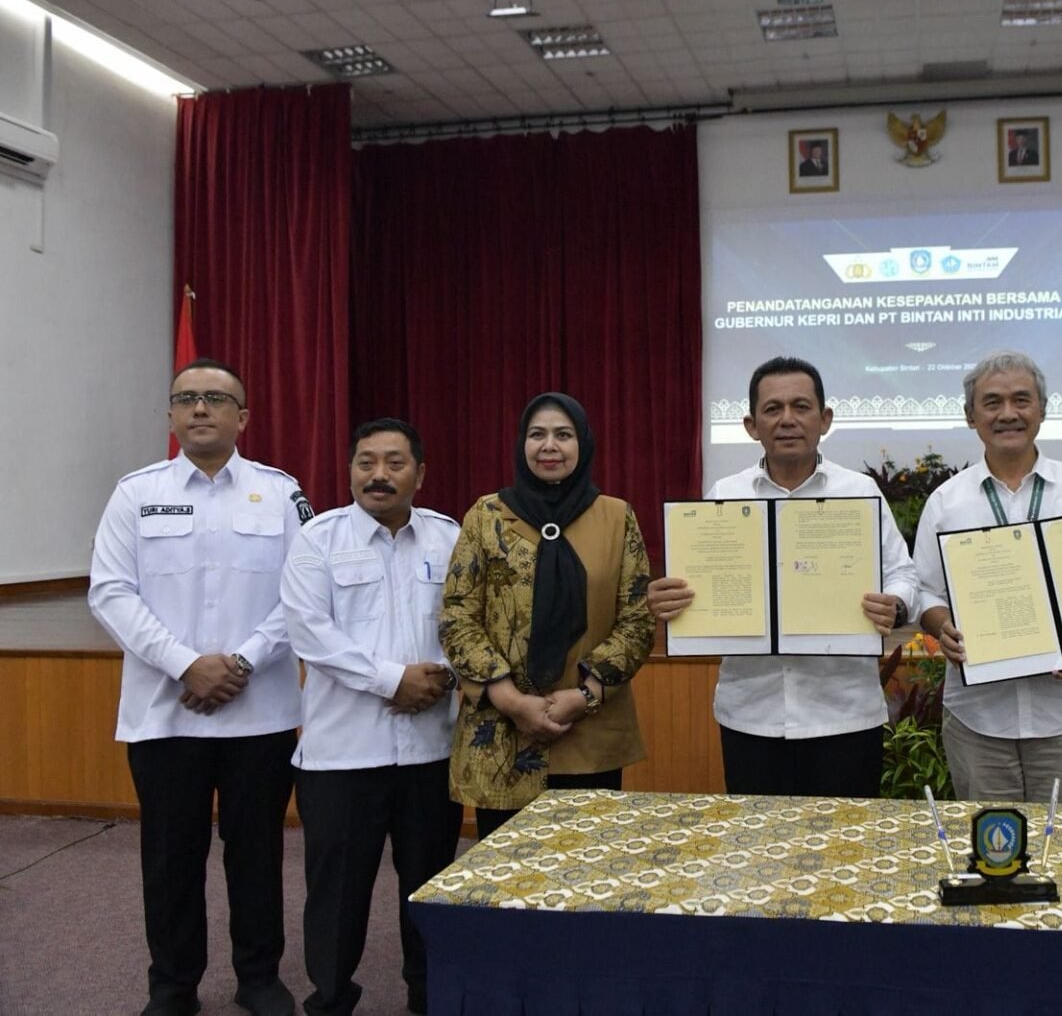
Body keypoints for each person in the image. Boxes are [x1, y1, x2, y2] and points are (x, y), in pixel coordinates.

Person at [89, 358, 306, 1016]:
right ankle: (173, 984)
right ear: (171, 416)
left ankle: (259, 977)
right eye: (187, 398)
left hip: (259, 712)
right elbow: (110, 591)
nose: (201, 408)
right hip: (165, 714)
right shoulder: (135, 492)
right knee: (169, 855)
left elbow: (305, 593)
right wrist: (187, 663)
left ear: (244, 416)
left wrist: (237, 661)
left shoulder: (281, 491)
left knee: (258, 852)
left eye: (216, 398)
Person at [648, 357, 919, 798]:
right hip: (750, 715)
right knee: (759, 855)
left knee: (843, 855)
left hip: (845, 715)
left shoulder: (859, 493)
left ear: (824, 419)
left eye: (801, 406)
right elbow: (697, 589)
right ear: (752, 425)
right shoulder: (725, 496)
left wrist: (897, 603)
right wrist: (671, 600)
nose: (787, 420)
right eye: (773, 409)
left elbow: (903, 574)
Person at [279, 418, 464, 1016]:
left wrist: (440, 675)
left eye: (394, 462)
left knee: (431, 889)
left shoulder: (449, 537)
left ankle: (429, 995)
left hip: (431, 750)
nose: (378, 475)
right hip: (342, 756)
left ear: (420, 473)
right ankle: (331, 999)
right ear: (351, 469)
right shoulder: (318, 539)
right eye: (366, 462)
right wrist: (393, 680)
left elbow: (472, 624)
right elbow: (310, 632)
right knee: (336, 896)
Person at [439, 393, 653, 839]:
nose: (549, 446)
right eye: (537, 435)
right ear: (521, 444)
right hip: (502, 732)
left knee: (588, 878)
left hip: (589, 728)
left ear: (583, 444)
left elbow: (636, 618)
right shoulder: (487, 516)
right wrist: (513, 701)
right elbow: (458, 614)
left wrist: (585, 695)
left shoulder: (617, 517)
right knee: (505, 883)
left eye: (563, 434)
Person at [912, 350, 1062, 803]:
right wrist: (944, 626)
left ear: (1042, 409)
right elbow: (925, 590)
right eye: (992, 402)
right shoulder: (946, 503)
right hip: (978, 715)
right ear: (970, 416)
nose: (1008, 414)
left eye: (1022, 400)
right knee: (989, 850)